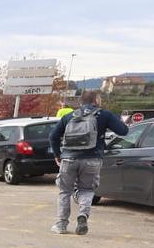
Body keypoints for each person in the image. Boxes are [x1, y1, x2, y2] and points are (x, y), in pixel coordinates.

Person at [48, 91, 127, 235]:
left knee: (65, 191)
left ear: (81, 102)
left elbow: (53, 136)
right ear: (96, 100)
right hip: (92, 159)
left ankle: (61, 225)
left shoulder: (69, 116)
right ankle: (83, 215)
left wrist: (57, 155)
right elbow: (123, 131)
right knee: (87, 190)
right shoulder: (104, 115)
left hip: (69, 159)